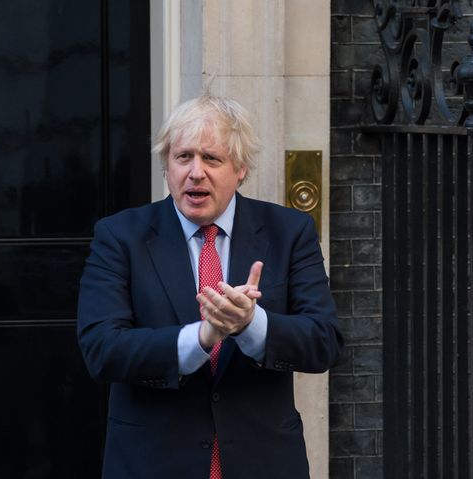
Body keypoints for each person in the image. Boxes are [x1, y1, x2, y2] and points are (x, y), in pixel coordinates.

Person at [77, 94, 343, 478]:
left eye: (212, 159)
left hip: (262, 461)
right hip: (153, 462)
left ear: (240, 169)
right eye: (183, 157)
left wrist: (251, 324)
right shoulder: (119, 236)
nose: (195, 172)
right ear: (166, 167)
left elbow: (325, 342)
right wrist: (200, 337)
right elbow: (102, 349)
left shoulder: (288, 233)